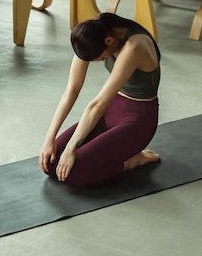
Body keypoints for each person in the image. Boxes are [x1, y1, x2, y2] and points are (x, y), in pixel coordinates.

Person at [39, 12, 161, 188]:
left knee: (75, 173)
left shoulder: (135, 45)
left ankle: (134, 160)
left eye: (101, 58)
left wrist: (71, 148)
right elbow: (71, 90)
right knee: (51, 163)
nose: (102, 60)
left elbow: (98, 104)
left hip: (137, 120)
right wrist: (49, 138)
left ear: (109, 42)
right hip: (110, 112)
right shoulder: (91, 36)